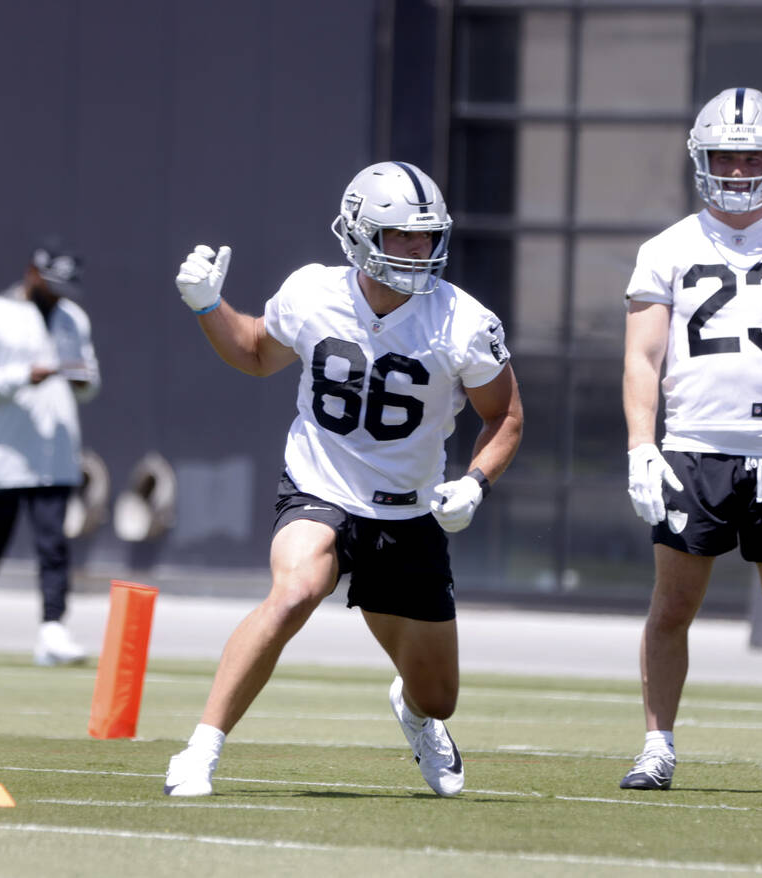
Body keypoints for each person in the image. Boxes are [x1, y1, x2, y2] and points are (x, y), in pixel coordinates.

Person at [163, 161, 523, 799]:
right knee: (296, 591)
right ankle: (200, 749)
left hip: (410, 513)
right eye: (400, 236)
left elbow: (505, 416)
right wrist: (209, 306)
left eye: (427, 235)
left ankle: (414, 716)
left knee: (438, 697)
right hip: (319, 486)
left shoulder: (464, 321)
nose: (419, 249)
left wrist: (475, 482)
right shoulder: (312, 292)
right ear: (358, 234)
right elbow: (252, 352)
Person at [620, 88, 762, 795]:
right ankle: (657, 744)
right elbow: (642, 358)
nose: (738, 168)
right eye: (725, 155)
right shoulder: (665, 249)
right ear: (700, 158)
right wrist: (641, 446)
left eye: (751, 156)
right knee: (673, 605)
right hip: (693, 446)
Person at [0, 238, 99, 666]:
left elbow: (91, 382)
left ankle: (52, 630)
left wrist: (82, 382)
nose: (57, 293)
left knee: (55, 546)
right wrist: (22, 376)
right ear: (32, 273)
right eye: (50, 283)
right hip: (6, 456)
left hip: (57, 453)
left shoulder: (73, 319)